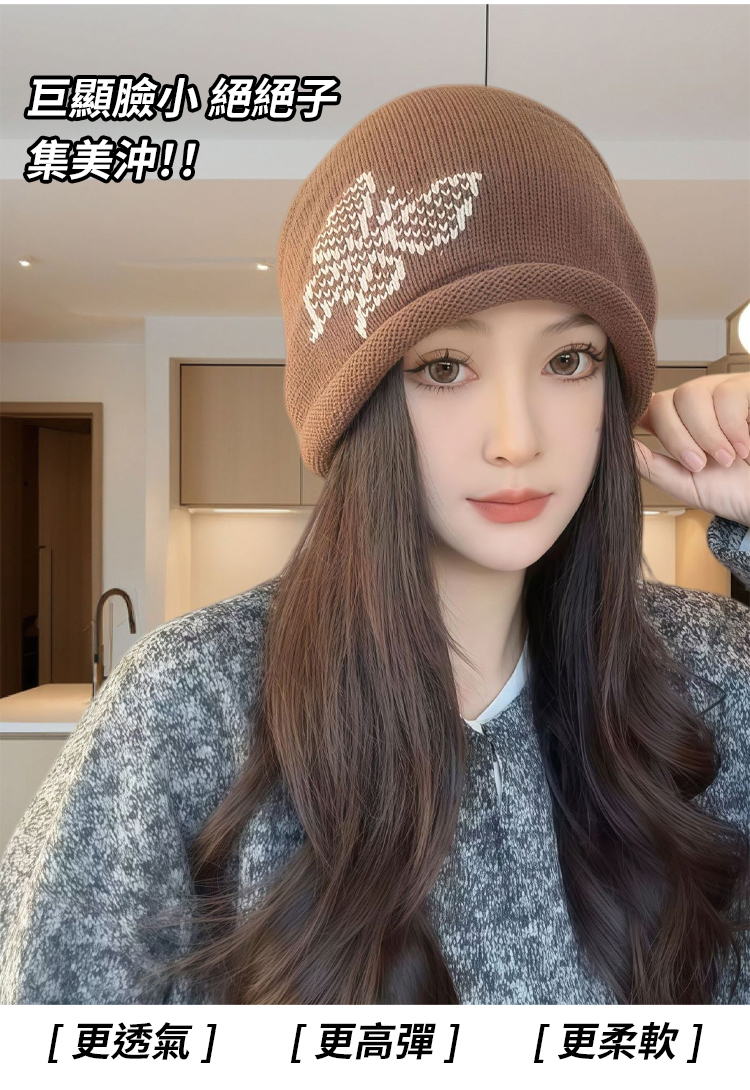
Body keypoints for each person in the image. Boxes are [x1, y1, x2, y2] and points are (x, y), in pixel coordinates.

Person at [1, 84, 749, 1007]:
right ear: (355, 408)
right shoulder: (191, 702)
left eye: (568, 361)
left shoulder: (710, 674)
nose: (517, 438)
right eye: (444, 366)